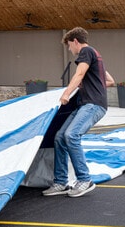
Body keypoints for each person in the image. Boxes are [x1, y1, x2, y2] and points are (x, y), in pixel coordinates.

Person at [42, 27, 115, 198]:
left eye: (69, 46)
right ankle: (61, 182)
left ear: (75, 41)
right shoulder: (96, 56)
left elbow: (79, 73)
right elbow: (110, 81)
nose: (70, 50)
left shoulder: (86, 51)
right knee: (60, 137)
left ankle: (85, 179)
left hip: (93, 105)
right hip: (86, 105)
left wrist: (66, 94)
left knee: (71, 135)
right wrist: (92, 85)